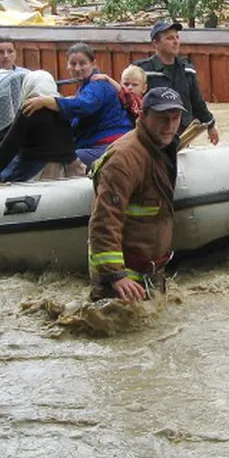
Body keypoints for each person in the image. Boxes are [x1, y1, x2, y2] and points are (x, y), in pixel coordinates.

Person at [87, 87, 185, 302]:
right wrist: (115, 275)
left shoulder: (162, 149)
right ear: (142, 115)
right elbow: (105, 220)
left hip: (150, 273)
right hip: (122, 282)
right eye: (162, 118)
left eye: (175, 118)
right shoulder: (124, 159)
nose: (169, 126)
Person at [22, 43, 133, 167]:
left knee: (60, 162)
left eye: (82, 63)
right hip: (99, 145)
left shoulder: (97, 84)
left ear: (93, 64)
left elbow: (85, 105)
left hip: (111, 146)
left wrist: (48, 101)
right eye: (73, 64)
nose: (77, 68)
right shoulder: (84, 88)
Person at [0, 71, 83, 184]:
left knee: (4, 176)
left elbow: (9, 147)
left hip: (39, 172)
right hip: (71, 169)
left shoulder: (29, 109)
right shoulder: (61, 107)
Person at [133, 20, 218, 143]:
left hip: (182, 134)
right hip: (152, 135)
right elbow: (130, 100)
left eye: (177, 37)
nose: (176, 42)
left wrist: (210, 125)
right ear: (155, 43)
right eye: (169, 38)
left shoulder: (187, 70)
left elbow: (197, 102)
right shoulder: (142, 70)